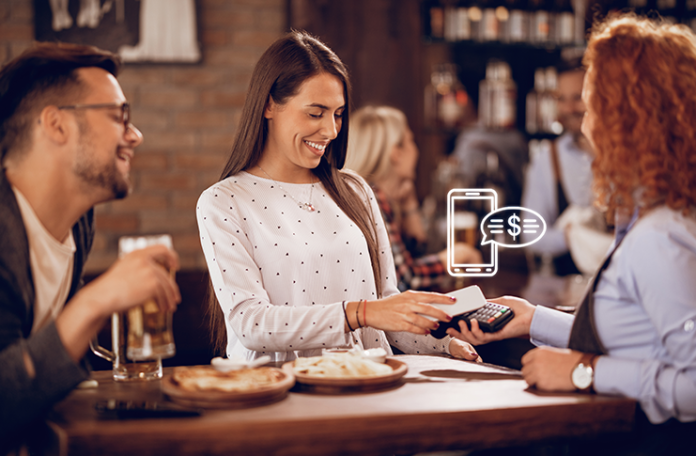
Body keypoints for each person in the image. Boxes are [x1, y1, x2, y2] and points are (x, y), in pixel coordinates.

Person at [450, 14, 696, 452]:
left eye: (591, 106)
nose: (582, 123)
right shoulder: (654, 214)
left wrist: (584, 372)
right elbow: (639, 337)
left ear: (626, 120)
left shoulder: (660, 237)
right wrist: (532, 320)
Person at [196, 31, 480, 364]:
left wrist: (444, 346)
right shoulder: (224, 201)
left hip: (366, 387)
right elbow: (250, 323)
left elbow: (386, 312)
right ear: (270, 104)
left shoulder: (356, 191)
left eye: (338, 114)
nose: (331, 131)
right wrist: (359, 313)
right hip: (279, 397)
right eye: (315, 114)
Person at [0, 43, 180, 449]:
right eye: (119, 116)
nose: (135, 135)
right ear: (56, 125)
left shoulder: (78, 222)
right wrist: (94, 302)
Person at [344, 105, 482, 292]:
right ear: (396, 153)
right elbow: (405, 280)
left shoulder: (370, 194)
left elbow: (415, 255)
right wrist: (456, 256)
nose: (415, 150)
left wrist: (409, 205)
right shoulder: (370, 199)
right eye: (411, 141)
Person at [521, 57, 611, 276]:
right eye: (561, 99)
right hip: (567, 289)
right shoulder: (547, 158)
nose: (569, 108)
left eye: (578, 98)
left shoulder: (625, 155)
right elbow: (531, 235)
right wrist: (575, 235)